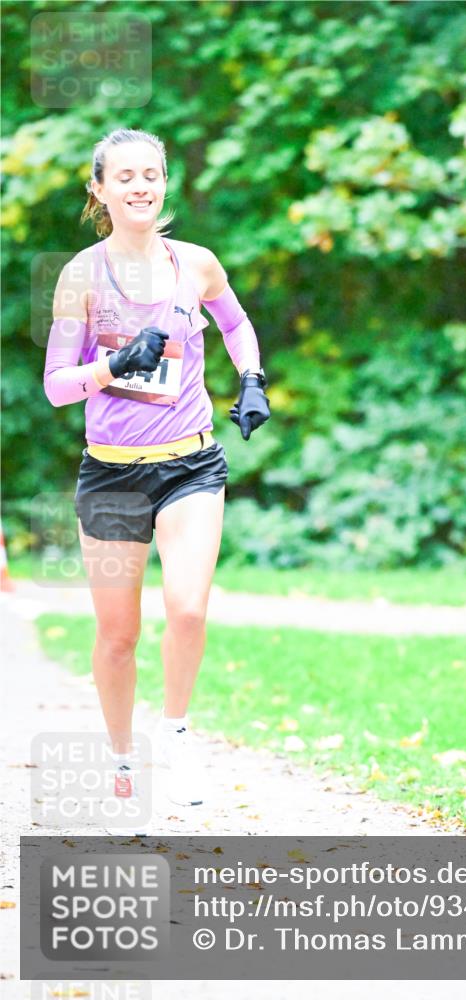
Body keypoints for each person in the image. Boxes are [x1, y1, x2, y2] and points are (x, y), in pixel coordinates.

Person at [43, 128, 271, 833]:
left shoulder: (196, 264)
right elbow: (55, 387)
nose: (141, 186)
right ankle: (119, 756)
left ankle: (174, 735)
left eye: (153, 175)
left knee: (189, 608)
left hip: (190, 465)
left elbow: (235, 325)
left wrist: (253, 379)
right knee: (118, 635)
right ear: (100, 190)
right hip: (110, 479)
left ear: (164, 183)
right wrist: (112, 368)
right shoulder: (81, 276)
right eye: (127, 177)